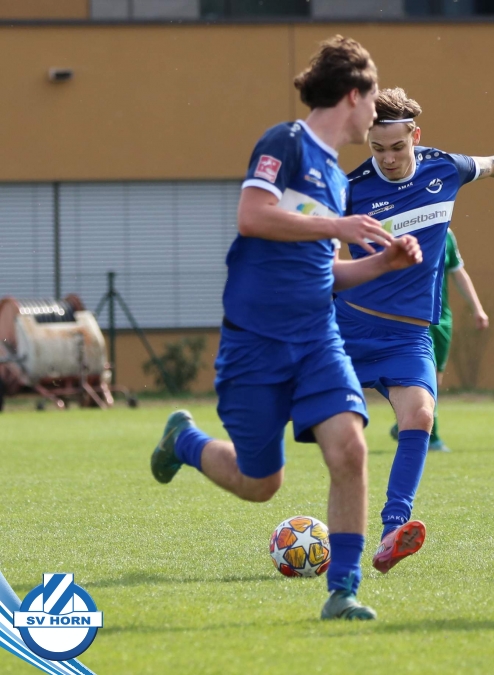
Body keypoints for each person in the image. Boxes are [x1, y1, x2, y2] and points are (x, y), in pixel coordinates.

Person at [149, 36, 423, 620]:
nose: (377, 109)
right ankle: (185, 442)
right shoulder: (287, 143)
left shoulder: (338, 180)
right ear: (353, 95)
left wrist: (384, 263)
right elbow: (252, 216)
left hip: (318, 338)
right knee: (260, 483)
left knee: (349, 448)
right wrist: (339, 226)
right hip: (255, 342)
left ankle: (343, 591)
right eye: (374, 95)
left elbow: (325, 274)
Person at [335, 88, 494, 575]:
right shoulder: (348, 189)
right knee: (293, 430)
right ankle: (200, 449)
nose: (388, 159)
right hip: (349, 328)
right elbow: (316, 253)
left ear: (416, 135)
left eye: (398, 147)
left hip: (409, 337)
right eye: (378, 149)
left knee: (420, 416)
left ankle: (394, 528)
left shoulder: (445, 168)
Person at [390, 227, 490, 452]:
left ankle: (406, 422)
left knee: (436, 379)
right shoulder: (405, 228)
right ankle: (431, 436)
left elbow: (458, 272)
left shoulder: (447, 234)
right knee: (424, 376)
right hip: (413, 316)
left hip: (442, 319)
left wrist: (477, 309)